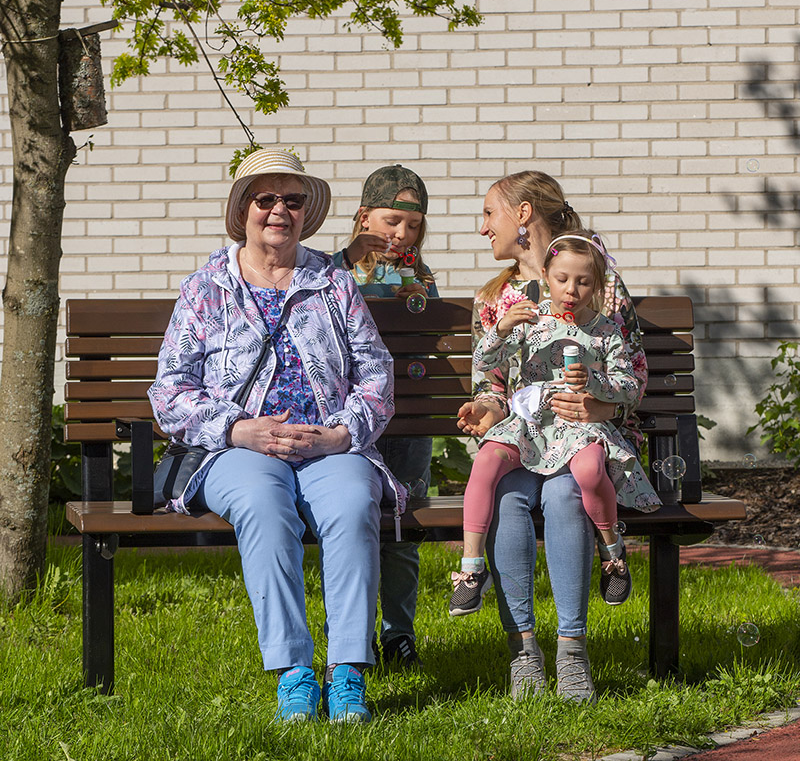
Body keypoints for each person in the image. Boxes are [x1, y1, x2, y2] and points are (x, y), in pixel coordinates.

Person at [148, 149, 406, 724]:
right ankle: (293, 672)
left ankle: (346, 674)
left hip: (327, 442)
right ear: (244, 208)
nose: (279, 211)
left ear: (305, 212)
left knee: (351, 502)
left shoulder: (332, 282)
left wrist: (341, 436)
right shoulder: (206, 288)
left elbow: (376, 374)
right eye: (267, 199)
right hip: (237, 448)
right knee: (264, 504)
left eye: (292, 200)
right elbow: (170, 391)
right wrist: (239, 428)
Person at [456, 171, 648, 704]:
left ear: (522, 216)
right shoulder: (495, 298)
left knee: (566, 496)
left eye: (490, 213)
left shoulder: (597, 279)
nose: (482, 227)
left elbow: (631, 366)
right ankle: (523, 652)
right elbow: (489, 383)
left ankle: (572, 652)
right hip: (524, 436)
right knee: (508, 499)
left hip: (586, 433)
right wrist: (485, 407)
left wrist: (600, 402)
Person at [449, 229, 660, 619]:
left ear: (596, 285)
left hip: (577, 425)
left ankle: (612, 553)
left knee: (591, 469)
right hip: (530, 426)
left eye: (583, 282)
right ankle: (471, 568)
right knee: (486, 462)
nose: (571, 290)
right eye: (562, 279)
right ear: (545, 275)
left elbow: (629, 386)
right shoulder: (529, 321)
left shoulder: (605, 332)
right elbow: (483, 362)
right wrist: (503, 328)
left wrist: (594, 384)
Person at [332, 164, 438, 669]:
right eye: (392, 221)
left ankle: (399, 634)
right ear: (363, 217)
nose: (402, 234)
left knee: (402, 528)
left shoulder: (420, 276)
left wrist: (414, 293)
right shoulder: (331, 271)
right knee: (350, 528)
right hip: (348, 421)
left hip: (405, 422)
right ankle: (349, 638)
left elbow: (430, 337)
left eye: (413, 226)